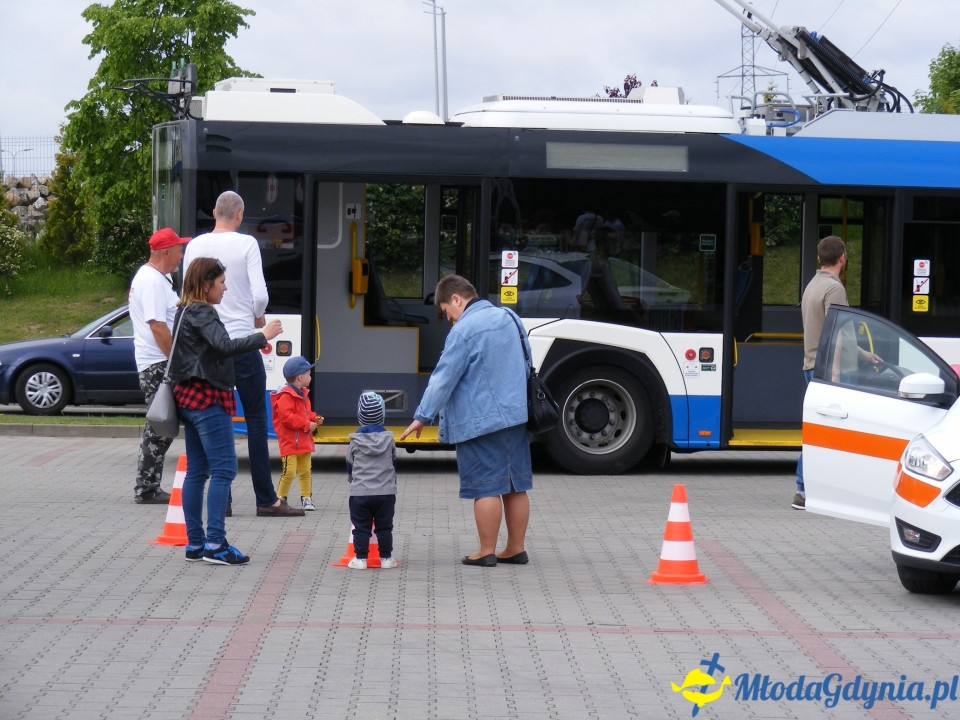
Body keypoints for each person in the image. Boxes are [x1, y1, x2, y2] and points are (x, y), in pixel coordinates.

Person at [184, 190, 303, 517]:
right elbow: (260, 296)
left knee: (216, 416)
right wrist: (258, 319)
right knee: (255, 418)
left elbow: (188, 292)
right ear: (239, 215)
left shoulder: (194, 246)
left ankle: (223, 498)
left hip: (207, 347)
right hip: (242, 342)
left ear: (214, 212)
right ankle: (266, 498)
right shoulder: (247, 244)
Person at [399, 275, 532, 567]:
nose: (449, 318)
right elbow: (526, 361)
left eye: (447, 311)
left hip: (480, 419)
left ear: (457, 299)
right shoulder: (509, 316)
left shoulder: (464, 330)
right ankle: (515, 548)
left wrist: (422, 415)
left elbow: (443, 378)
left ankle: (486, 551)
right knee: (515, 485)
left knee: (486, 486)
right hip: (516, 415)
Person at [169, 257, 284, 565]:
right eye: (221, 282)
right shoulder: (203, 311)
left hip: (188, 399)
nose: (225, 287)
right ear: (206, 285)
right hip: (208, 399)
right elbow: (223, 346)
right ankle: (216, 544)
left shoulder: (183, 311)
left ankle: (195, 544)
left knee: (197, 471)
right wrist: (263, 336)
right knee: (224, 470)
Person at [795, 235, 879, 510]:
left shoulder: (812, 286)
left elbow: (824, 330)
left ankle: (805, 489)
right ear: (842, 258)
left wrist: (864, 354)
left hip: (813, 365)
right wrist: (834, 373)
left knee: (819, 432)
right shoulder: (835, 289)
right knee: (834, 433)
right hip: (832, 371)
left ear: (820, 258)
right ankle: (810, 489)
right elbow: (835, 332)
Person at [128, 228, 190, 504]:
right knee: (160, 426)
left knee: (162, 426)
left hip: (156, 361)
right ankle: (147, 488)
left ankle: (148, 486)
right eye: (178, 249)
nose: (181, 255)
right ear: (165, 252)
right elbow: (158, 326)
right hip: (158, 362)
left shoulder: (157, 278)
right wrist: (175, 362)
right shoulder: (151, 281)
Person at [345, 392, 399, 570]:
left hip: (360, 493)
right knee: (384, 528)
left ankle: (360, 559)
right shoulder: (389, 440)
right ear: (382, 416)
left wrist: (352, 479)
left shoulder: (355, 442)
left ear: (360, 416)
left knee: (361, 528)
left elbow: (349, 465)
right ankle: (386, 559)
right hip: (385, 493)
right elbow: (393, 462)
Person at [270, 356, 323, 511]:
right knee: (289, 472)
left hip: (303, 441)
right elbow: (287, 418)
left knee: (306, 471)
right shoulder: (286, 396)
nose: (310, 377)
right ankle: (280, 497)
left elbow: (306, 413)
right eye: (309, 374)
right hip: (290, 442)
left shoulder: (303, 394)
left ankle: (306, 498)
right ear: (300, 377)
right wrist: (307, 424)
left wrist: (315, 417)